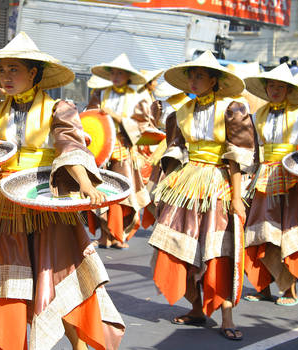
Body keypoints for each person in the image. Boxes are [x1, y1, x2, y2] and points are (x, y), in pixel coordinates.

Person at [0, 32, 125, 350]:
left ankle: (80, 345)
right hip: (2, 202)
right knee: (6, 278)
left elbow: (70, 147)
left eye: (13, 70)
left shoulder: (58, 108)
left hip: (45, 200)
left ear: (33, 73)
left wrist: (87, 184)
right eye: (3, 70)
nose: (6, 77)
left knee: (58, 276)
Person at [149, 50, 255, 341]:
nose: (193, 81)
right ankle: (196, 307)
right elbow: (176, 150)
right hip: (185, 183)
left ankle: (227, 316)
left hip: (217, 182)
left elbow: (237, 156)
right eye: (190, 76)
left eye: (200, 76)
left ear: (214, 80)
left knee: (218, 249)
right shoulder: (181, 112)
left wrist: (236, 197)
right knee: (175, 246)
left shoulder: (233, 109)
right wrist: (162, 184)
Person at [243, 63, 298, 306]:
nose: (275, 90)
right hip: (264, 177)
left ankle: (290, 289)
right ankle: (263, 287)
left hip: (291, 176)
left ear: (289, 90)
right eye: (271, 85)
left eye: (281, 86)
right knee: (263, 233)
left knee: (290, 233)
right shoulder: (258, 114)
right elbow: (252, 147)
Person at [86, 53, 151, 249]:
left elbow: (143, 126)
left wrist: (118, 118)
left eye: (120, 73)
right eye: (113, 73)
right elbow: (90, 118)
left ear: (128, 76)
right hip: (101, 149)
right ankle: (104, 235)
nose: (116, 76)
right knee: (100, 190)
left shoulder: (137, 98)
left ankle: (118, 234)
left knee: (121, 192)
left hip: (123, 149)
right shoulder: (100, 93)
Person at [141, 81, 191, 229]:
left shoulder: (189, 105)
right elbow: (149, 127)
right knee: (150, 192)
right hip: (158, 151)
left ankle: (166, 223)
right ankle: (160, 221)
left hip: (178, 153)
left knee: (169, 191)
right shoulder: (160, 104)